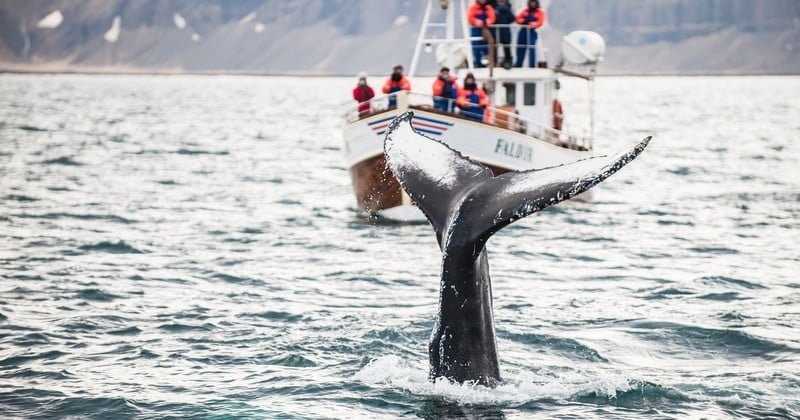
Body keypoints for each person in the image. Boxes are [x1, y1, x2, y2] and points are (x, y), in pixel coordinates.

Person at [515, 0, 546, 68]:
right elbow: (518, 19)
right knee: (520, 48)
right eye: (531, 2)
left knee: (532, 48)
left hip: (532, 32)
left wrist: (531, 24)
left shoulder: (539, 12)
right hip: (523, 31)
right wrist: (524, 21)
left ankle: (532, 65)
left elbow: (540, 22)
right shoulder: (526, 10)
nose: (532, 3)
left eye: (534, 2)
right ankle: (518, 64)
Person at [466, 0, 496, 68]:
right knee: (476, 47)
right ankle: (478, 63)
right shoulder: (473, 7)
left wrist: (487, 22)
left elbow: (492, 18)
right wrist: (477, 22)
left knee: (486, 47)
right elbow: (470, 18)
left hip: (486, 30)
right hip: (476, 30)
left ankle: (487, 62)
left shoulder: (488, 8)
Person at [492, 0, 515, 69]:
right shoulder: (508, 10)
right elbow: (512, 18)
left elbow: (492, 19)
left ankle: (495, 62)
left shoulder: (495, 10)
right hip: (504, 30)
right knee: (505, 47)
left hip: (497, 30)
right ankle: (507, 61)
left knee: (498, 47)